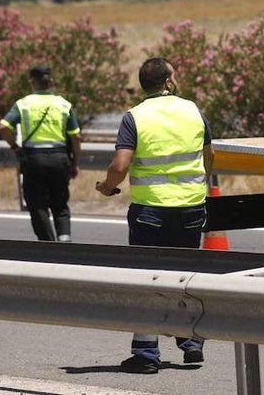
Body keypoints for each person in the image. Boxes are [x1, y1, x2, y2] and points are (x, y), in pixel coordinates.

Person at [95, 57, 214, 375]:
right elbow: (209, 156)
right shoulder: (193, 111)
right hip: (190, 208)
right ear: (169, 82)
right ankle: (191, 344)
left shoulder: (134, 117)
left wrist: (106, 187)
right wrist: (198, 186)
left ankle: (147, 354)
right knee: (185, 276)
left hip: (151, 212)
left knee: (148, 279)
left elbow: (120, 166)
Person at [0, 65, 81, 242]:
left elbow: (3, 127)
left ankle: (48, 244)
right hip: (59, 158)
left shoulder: (23, 104)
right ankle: (65, 241)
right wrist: (74, 163)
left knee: (37, 206)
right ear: (51, 81)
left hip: (33, 159)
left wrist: (14, 146)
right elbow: (76, 137)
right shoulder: (63, 104)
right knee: (60, 204)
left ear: (32, 82)